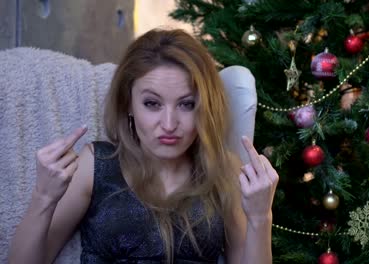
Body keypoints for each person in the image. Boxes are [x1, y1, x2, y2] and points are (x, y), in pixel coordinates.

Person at [8, 28, 279, 263]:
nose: (170, 124)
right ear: (128, 103)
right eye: (152, 103)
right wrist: (43, 197)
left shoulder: (224, 170)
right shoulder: (97, 164)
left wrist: (260, 217)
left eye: (187, 104)